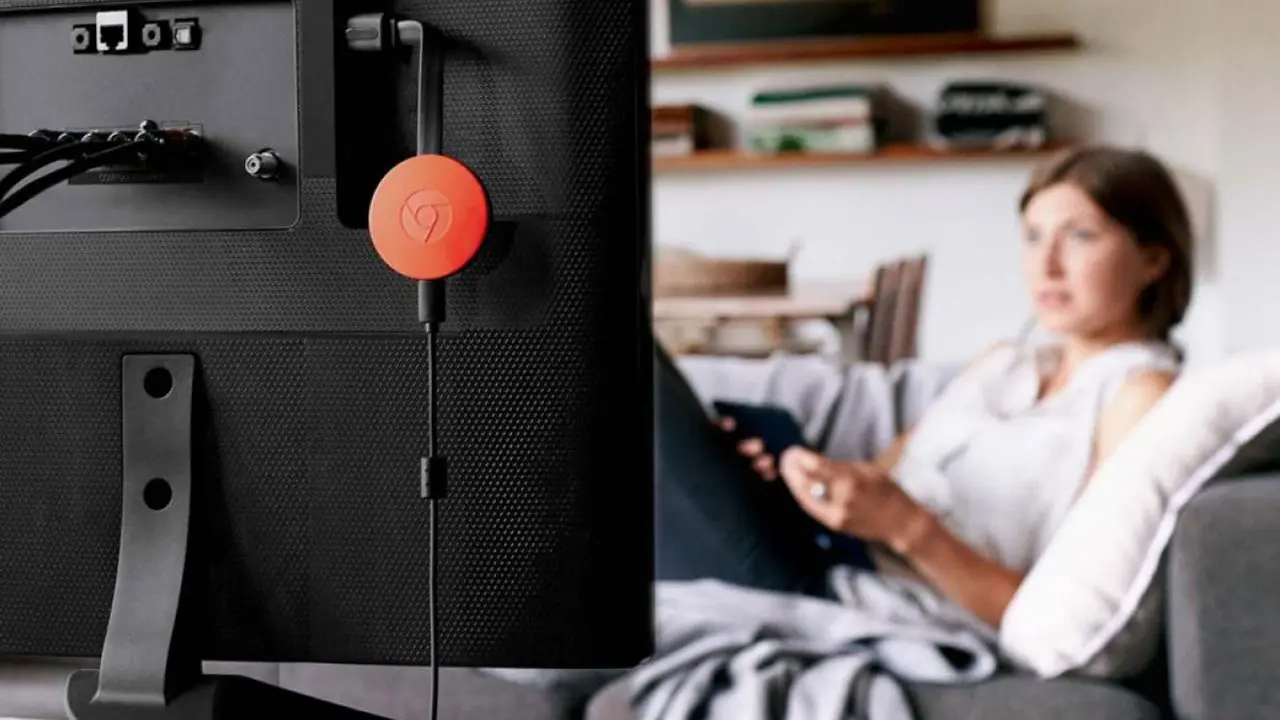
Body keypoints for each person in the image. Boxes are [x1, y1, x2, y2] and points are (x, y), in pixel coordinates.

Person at [656, 145, 1195, 631]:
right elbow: (877, 476)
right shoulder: (1001, 362)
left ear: (1154, 259)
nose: (1046, 265)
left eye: (1080, 236)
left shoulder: (1139, 396)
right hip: (822, 548)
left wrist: (907, 528)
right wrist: (800, 478)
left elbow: (1069, 615)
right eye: (1033, 236)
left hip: (866, 596)